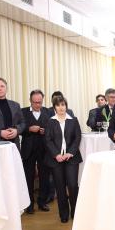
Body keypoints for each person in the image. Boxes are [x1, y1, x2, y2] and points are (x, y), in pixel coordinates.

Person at [44, 95, 82, 223]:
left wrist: (70, 152)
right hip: (56, 159)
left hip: (72, 158)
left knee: (72, 185)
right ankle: (63, 214)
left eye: (63, 105)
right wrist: (56, 154)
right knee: (60, 187)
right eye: (58, 105)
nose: (61, 107)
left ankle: (75, 212)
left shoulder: (73, 120)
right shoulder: (50, 121)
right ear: (54, 107)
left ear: (66, 106)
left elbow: (77, 138)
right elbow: (47, 140)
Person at [21, 90, 51, 214]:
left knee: (44, 176)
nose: (37, 105)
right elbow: (19, 128)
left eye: (39, 102)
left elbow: (53, 128)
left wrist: (46, 131)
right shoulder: (22, 112)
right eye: (35, 102)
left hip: (44, 149)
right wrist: (29, 129)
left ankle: (42, 202)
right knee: (28, 177)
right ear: (30, 100)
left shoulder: (47, 112)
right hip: (28, 149)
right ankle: (29, 204)